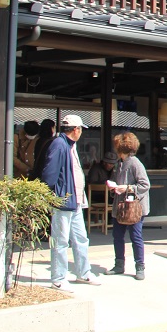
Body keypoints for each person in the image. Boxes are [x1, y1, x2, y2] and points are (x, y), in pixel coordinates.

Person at [39, 114, 99, 290]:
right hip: (64, 200)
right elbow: (50, 173)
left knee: (81, 238)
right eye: (80, 129)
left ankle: (83, 272)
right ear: (76, 129)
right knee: (61, 240)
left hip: (75, 201)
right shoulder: (59, 144)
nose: (81, 132)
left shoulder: (69, 145)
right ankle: (58, 278)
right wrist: (53, 195)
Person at [106, 132, 150, 280]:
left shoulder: (135, 163)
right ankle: (119, 264)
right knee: (117, 235)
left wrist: (126, 188)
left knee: (135, 236)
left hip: (134, 207)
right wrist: (114, 188)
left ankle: (140, 266)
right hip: (121, 206)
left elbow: (145, 185)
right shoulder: (119, 164)